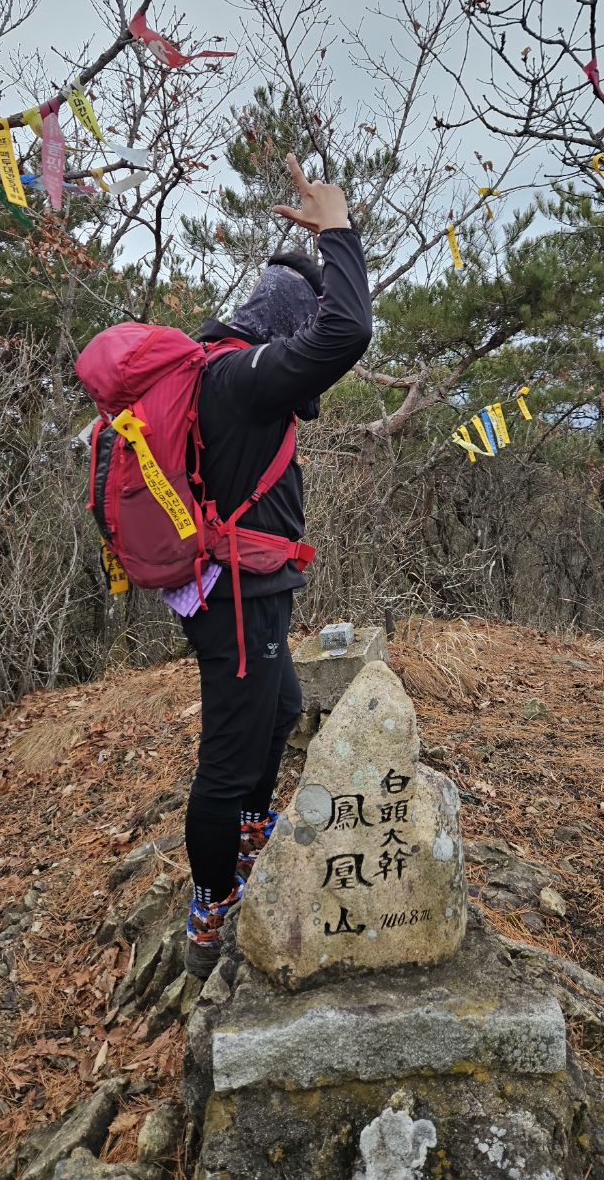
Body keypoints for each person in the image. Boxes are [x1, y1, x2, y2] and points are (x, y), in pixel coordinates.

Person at [180, 153, 372, 978]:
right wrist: (338, 231)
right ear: (290, 319)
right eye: (307, 319)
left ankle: (252, 835)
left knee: (284, 706)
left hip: (250, 589)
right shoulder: (241, 376)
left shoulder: (229, 370)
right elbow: (349, 332)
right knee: (227, 762)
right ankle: (210, 909)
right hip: (236, 599)